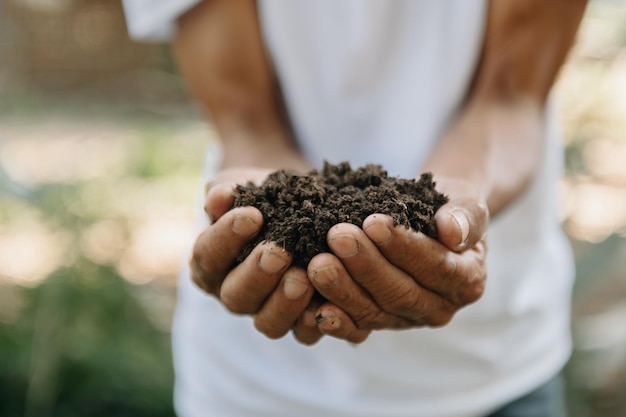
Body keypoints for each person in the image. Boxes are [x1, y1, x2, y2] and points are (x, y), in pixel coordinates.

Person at [122, 1, 587, 416]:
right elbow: (246, 121)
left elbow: (508, 96)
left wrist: (456, 209)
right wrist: (265, 193)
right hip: (260, 388)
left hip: (495, 366)